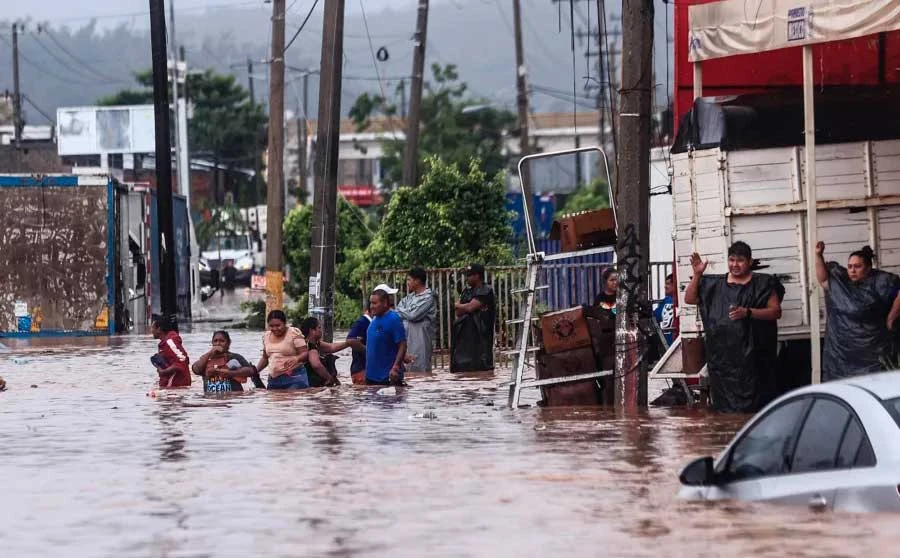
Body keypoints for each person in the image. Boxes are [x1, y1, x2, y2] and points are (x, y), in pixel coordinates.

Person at [684, 241, 784, 413]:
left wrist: (748, 313)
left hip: (755, 361)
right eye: (731, 260)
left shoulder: (763, 283)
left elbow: (775, 312)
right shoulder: (713, 285)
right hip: (723, 363)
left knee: (757, 410)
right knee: (724, 414)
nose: (735, 265)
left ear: (750, 262)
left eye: (740, 261)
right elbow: (690, 299)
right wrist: (698, 275)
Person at [816, 242, 900, 381]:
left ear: (868, 268)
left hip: (872, 351)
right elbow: (823, 279)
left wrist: (891, 318)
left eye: (857, 266)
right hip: (842, 352)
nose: (852, 270)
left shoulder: (881, 281)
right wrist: (818, 255)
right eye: (850, 266)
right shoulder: (841, 282)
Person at [450, 263, 496, 373]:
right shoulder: (467, 292)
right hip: (463, 342)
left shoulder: (486, 290)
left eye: (469, 275)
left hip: (481, 342)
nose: (467, 278)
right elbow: (458, 312)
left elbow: (470, 307)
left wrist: (459, 305)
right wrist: (463, 307)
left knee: (482, 373)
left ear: (477, 276)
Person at [298, 316, 363, 387]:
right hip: (310, 383)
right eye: (319, 327)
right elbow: (316, 365)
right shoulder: (310, 346)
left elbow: (332, 347)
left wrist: (348, 343)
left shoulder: (315, 343)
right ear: (312, 331)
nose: (321, 330)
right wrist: (329, 378)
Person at [191, 330, 262, 393]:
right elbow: (196, 370)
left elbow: (251, 371)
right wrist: (209, 353)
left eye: (222, 341)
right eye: (215, 341)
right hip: (211, 401)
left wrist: (230, 373)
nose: (218, 343)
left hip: (232, 399)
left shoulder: (234, 357)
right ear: (212, 343)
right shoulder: (206, 359)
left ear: (228, 343)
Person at [396, 267, 437, 373]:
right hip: (407, 337)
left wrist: (403, 311)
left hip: (421, 339)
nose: (407, 283)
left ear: (417, 281)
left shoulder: (429, 297)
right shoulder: (409, 297)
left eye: (409, 280)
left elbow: (413, 315)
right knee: (407, 369)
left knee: (421, 369)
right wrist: (405, 312)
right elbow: (397, 311)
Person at [257, 310, 310, 390]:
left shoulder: (293, 333)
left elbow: (305, 353)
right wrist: (255, 371)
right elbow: (265, 358)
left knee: (290, 401)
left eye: (278, 325)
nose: (275, 329)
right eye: (271, 326)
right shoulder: (266, 336)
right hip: (274, 380)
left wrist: (297, 358)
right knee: (274, 402)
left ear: (284, 323)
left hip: (295, 378)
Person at [366, 289, 408, 386]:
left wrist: (395, 367)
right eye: (370, 303)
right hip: (372, 377)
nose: (371, 306)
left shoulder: (394, 319)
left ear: (385, 303)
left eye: (374, 303)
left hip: (388, 377)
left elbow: (402, 345)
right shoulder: (375, 318)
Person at [150, 314, 191, 388]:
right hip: (172, 385)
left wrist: (164, 372)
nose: (151, 330)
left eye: (152, 328)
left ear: (159, 329)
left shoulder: (170, 342)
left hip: (176, 385)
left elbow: (183, 360)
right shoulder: (166, 342)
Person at [346, 300, 373, 384]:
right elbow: (350, 340)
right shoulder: (362, 322)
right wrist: (369, 351)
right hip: (361, 370)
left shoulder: (373, 323)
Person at [654, 273, 677, 346]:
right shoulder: (666, 300)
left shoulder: (682, 300)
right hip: (667, 346)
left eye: (668, 284)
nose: (665, 286)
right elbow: (655, 317)